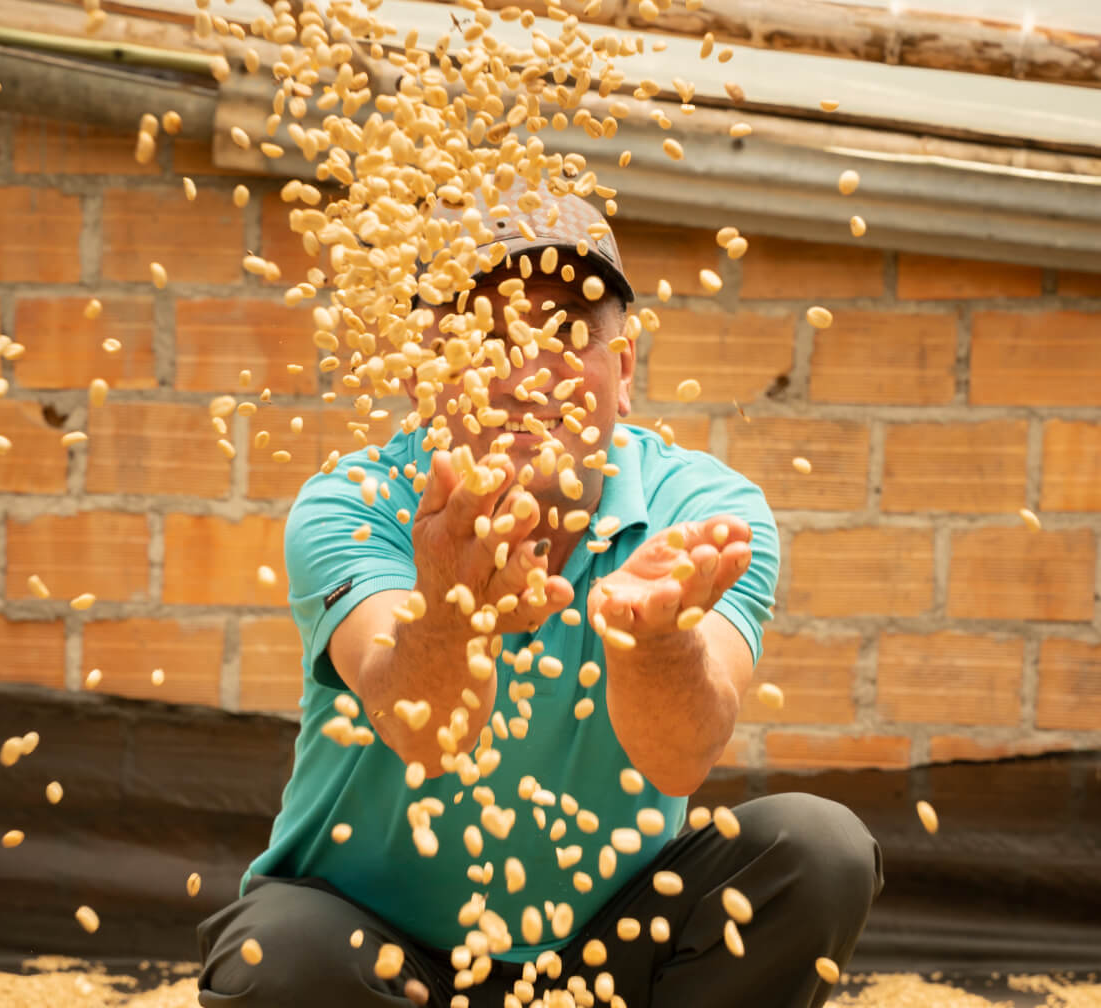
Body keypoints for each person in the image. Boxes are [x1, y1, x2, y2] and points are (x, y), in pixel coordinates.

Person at [197, 180, 883, 1008]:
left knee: (818, 849)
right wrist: (452, 602)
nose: (523, 368)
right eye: (482, 332)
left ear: (621, 369)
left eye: (566, 330)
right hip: (373, 949)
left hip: (606, 955)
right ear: (427, 369)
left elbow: (682, 755)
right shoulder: (355, 504)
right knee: (283, 955)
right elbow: (427, 737)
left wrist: (654, 641)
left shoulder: (703, 513)